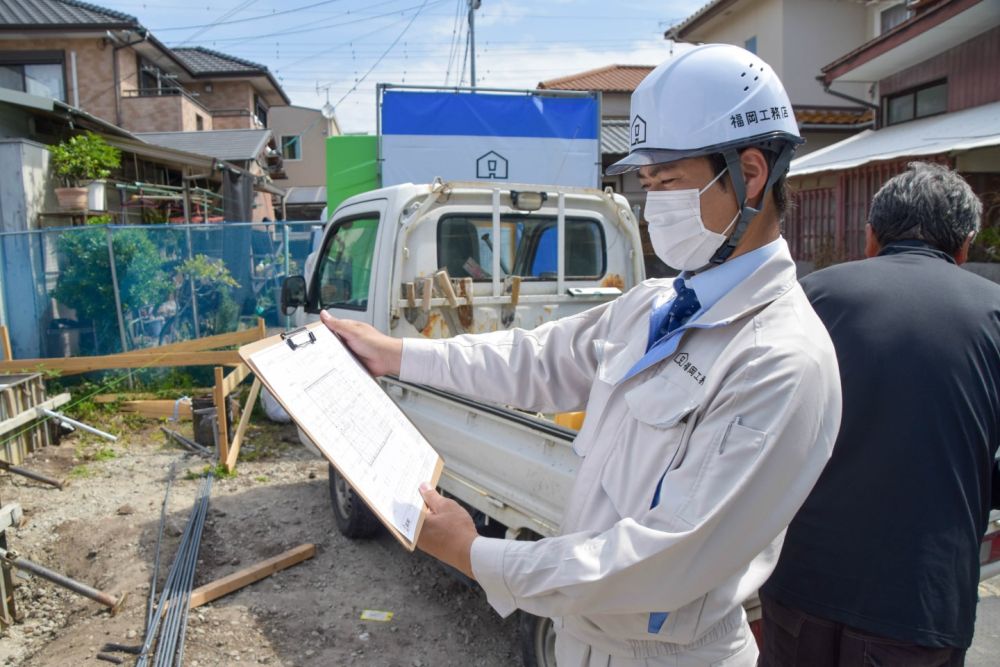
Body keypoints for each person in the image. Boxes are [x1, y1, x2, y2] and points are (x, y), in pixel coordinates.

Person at [322, 43, 841, 666]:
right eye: (645, 185)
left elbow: (666, 555)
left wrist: (473, 553)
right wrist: (397, 355)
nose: (654, 208)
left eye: (670, 182)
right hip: (585, 642)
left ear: (751, 172)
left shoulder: (779, 359)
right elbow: (531, 360)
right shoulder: (655, 304)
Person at [760, 162, 1000, 666]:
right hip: (917, 598)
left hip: (800, 579)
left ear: (871, 237)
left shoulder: (811, 296)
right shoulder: (993, 313)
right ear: (965, 245)